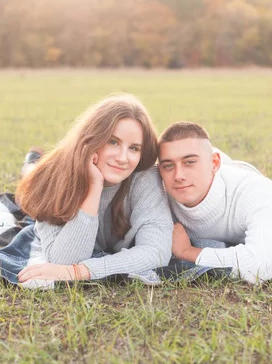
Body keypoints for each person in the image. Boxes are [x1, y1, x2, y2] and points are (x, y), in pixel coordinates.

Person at [17, 94, 173, 283]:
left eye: (134, 148)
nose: (123, 158)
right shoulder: (52, 178)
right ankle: (31, 162)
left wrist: (80, 272)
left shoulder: (144, 178)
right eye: (113, 142)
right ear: (91, 140)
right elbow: (62, 260)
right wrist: (93, 188)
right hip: (49, 169)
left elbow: (156, 252)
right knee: (31, 172)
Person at [157, 122, 272, 284]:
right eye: (168, 165)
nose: (178, 175)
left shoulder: (256, 190)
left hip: (236, 173)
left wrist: (187, 252)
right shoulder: (159, 193)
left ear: (214, 163)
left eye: (189, 162)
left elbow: (260, 268)